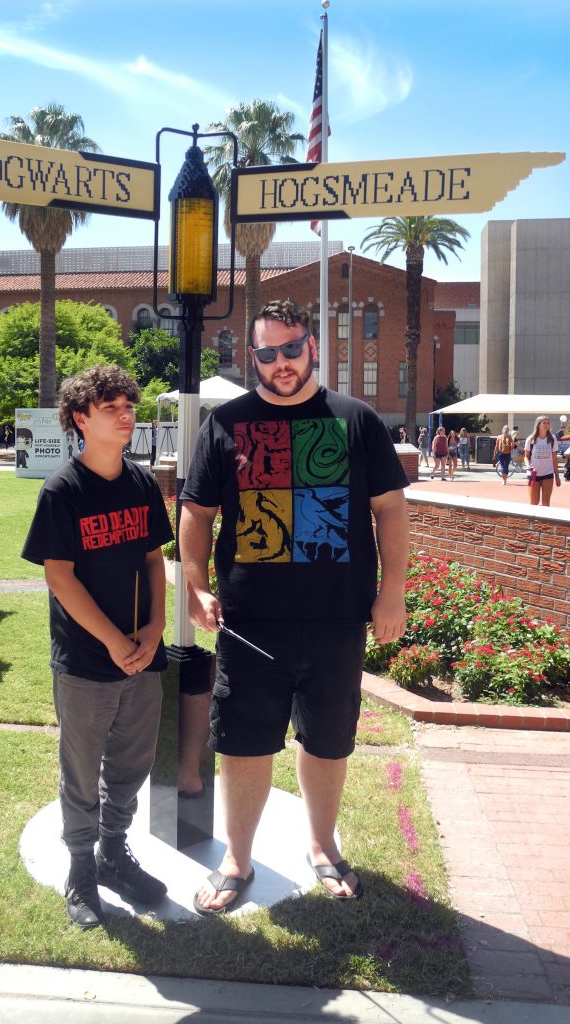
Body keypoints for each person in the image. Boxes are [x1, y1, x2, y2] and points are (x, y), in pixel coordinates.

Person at [179, 298, 409, 915]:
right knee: (243, 745)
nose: (281, 362)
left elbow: (390, 508)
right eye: (267, 352)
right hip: (250, 625)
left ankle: (322, 845)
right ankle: (237, 858)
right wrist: (196, 584)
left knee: (328, 740)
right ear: (251, 356)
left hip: (337, 620)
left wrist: (393, 591)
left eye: (291, 348)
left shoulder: (355, 419)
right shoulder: (225, 424)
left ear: (312, 346)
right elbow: (196, 513)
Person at [21, 365, 173, 929]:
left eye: (128, 405)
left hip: (143, 654)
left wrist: (156, 627)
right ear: (81, 418)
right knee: (82, 769)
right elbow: (59, 576)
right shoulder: (62, 489)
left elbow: (155, 558)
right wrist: (113, 641)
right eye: (111, 407)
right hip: (88, 660)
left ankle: (114, 853)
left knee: (131, 764)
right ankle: (82, 868)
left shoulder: (139, 482)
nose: (126, 414)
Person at [524, 415, 561, 506]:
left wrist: (557, 475)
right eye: (544, 423)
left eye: (548, 423)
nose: (546, 425)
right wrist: (528, 465)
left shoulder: (552, 439)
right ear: (538, 424)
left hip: (547, 473)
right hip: (533, 474)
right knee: (534, 502)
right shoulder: (531, 439)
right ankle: (532, 520)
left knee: (546, 503)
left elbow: (554, 458)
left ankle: (544, 520)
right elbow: (526, 457)